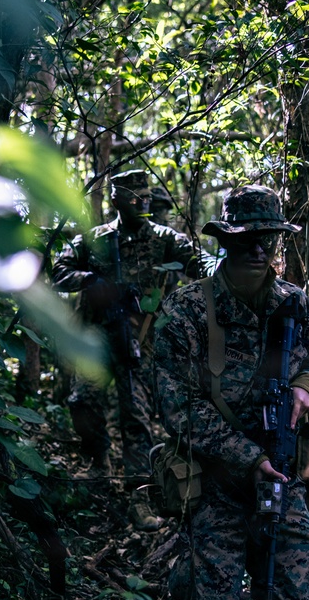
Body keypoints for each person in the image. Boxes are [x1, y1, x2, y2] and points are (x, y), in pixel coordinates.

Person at [153, 185, 309, 600]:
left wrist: (306, 389)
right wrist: (247, 457)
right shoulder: (187, 311)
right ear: (224, 241)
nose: (257, 250)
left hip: (279, 478)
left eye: (267, 240)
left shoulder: (297, 307)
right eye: (246, 239)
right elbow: (177, 406)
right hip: (216, 481)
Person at [51, 169, 203, 529]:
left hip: (141, 340)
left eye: (147, 197)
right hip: (96, 337)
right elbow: (59, 268)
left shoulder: (164, 238)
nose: (142, 203)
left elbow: (200, 261)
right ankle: (98, 461)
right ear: (117, 200)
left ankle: (140, 496)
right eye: (134, 198)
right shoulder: (96, 239)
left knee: (136, 417)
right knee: (82, 401)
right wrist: (93, 280)